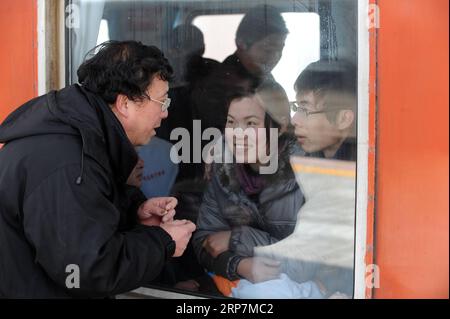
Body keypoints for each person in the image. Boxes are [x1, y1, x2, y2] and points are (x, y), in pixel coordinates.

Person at [0, 41, 196, 298]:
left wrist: (133, 214)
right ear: (125, 104)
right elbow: (88, 268)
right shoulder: (68, 161)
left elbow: (81, 224)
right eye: (162, 101)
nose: (165, 113)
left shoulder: (81, 139)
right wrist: (163, 242)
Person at [192, 81, 303, 293]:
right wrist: (241, 266)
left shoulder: (305, 172)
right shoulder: (222, 170)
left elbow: (316, 263)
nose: (237, 134)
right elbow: (204, 243)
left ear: (280, 126)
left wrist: (238, 239)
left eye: (251, 123)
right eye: (231, 122)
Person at [290, 60, 357, 161]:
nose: (293, 120)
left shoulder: (360, 170)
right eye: (297, 108)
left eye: (304, 110)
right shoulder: (299, 158)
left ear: (343, 119)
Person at [222, 4, 289, 88]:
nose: (275, 58)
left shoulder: (261, 75)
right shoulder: (222, 83)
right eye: (268, 50)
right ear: (241, 44)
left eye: (280, 50)